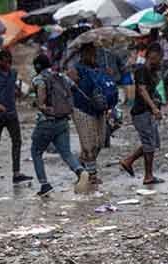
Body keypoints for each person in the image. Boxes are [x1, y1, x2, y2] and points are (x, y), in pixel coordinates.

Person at [30, 53, 91, 197]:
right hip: (63, 120)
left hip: (46, 122)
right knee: (66, 153)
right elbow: (75, 88)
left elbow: (41, 101)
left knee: (36, 152)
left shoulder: (39, 79)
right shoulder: (61, 76)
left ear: (37, 66)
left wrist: (41, 106)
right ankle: (81, 171)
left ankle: (45, 185)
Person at [121, 43, 165, 185]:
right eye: (160, 57)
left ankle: (128, 161)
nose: (161, 60)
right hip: (141, 113)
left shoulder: (151, 72)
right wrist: (154, 108)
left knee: (153, 143)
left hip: (147, 113)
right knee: (149, 143)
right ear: (153, 55)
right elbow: (142, 90)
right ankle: (148, 176)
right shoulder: (141, 70)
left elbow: (151, 91)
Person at [0, 50, 32, 185]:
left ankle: (16, 173)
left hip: (11, 113)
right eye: (5, 61)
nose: (7, 64)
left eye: (9, 62)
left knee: (17, 141)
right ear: (0, 61)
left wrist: (18, 92)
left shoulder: (13, 73)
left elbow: (15, 90)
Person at [69, 43, 108, 185]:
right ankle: (92, 176)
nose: (93, 55)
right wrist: (73, 81)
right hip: (82, 109)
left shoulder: (99, 67)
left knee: (100, 143)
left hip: (99, 108)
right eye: (90, 52)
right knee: (89, 145)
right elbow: (68, 86)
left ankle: (80, 165)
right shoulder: (76, 69)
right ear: (83, 53)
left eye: (94, 52)